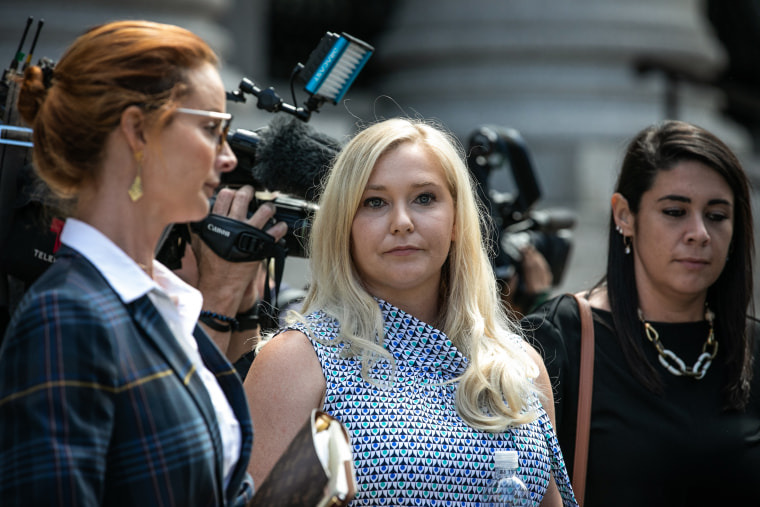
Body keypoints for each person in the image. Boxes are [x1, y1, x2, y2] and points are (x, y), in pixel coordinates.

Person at [0, 20, 285, 506]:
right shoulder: (66, 318)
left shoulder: (158, 302)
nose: (227, 157)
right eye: (212, 128)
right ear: (136, 130)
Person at [244, 117, 578, 506]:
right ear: (344, 225)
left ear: (456, 219)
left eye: (424, 198)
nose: (401, 223)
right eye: (374, 202)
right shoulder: (297, 361)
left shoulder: (519, 365)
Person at [521, 120, 759, 506]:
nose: (699, 232)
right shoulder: (561, 339)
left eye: (717, 216)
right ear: (624, 216)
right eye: (675, 211)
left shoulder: (752, 347)